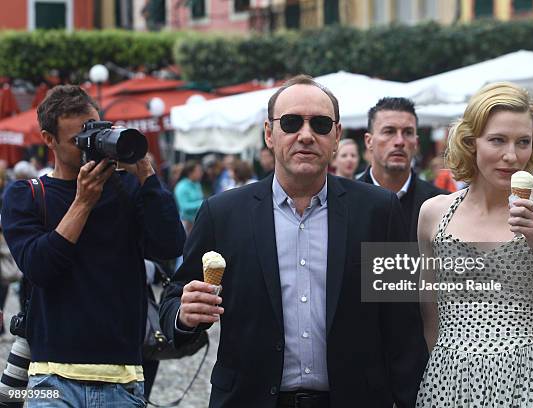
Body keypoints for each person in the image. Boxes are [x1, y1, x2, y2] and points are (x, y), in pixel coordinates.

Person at [159, 75, 428, 408]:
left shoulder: (379, 210)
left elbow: (402, 326)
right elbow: (175, 295)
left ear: (337, 135)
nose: (306, 135)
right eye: (291, 123)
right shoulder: (222, 213)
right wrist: (184, 314)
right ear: (270, 134)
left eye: (319, 124)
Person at [1, 85, 185, 407]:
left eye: (96, 131)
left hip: (123, 378)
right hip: (52, 377)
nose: (91, 145)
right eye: (78, 140)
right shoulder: (26, 195)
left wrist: (145, 173)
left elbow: (170, 245)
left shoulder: (128, 189)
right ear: (48, 140)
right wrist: (83, 202)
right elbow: (39, 267)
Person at [416, 82, 533, 407]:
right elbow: (430, 320)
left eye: (523, 142)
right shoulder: (433, 214)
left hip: (529, 381)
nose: (511, 155)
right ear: (470, 142)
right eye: (497, 140)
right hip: (449, 383)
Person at [358, 97, 445, 242]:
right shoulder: (345, 204)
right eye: (389, 131)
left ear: (416, 143)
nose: (399, 141)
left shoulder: (441, 206)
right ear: (369, 141)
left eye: (408, 132)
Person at [174, 160, 205, 235]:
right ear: (190, 173)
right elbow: (184, 207)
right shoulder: (181, 187)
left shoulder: (197, 184)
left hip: (197, 222)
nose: (201, 173)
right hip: (186, 224)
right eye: (199, 171)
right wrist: (202, 203)